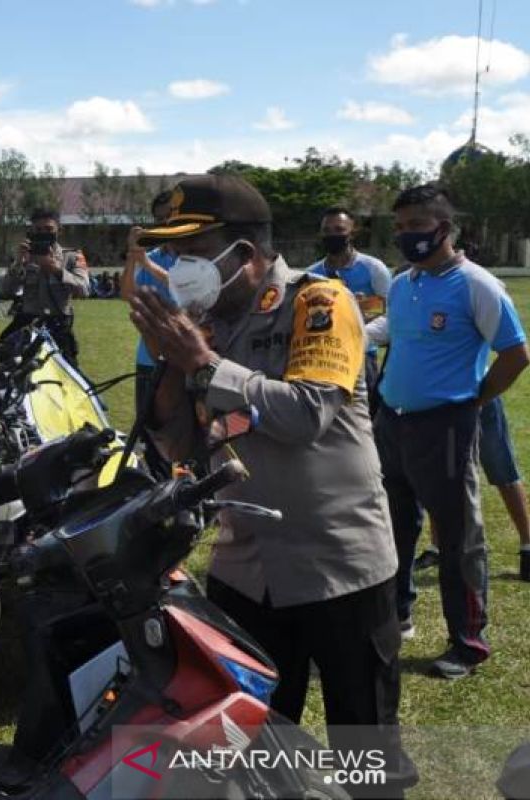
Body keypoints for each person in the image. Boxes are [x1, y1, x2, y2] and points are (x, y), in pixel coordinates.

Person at [129, 174, 415, 792]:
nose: (179, 268)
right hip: (246, 571)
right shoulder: (204, 323)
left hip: (337, 564)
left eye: (194, 251)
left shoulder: (320, 302)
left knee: (363, 749)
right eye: (173, 254)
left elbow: (307, 412)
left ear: (246, 253)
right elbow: (180, 446)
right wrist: (173, 364)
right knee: (254, 742)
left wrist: (204, 363)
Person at [371, 184, 529, 679]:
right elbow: (394, 333)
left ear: (444, 227)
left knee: (459, 537)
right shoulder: (403, 282)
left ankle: (467, 643)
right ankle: (397, 617)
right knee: (392, 528)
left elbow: (516, 353)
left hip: (445, 426)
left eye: (415, 225)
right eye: (399, 227)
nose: (405, 235)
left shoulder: (477, 285)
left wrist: (473, 401)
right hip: (391, 423)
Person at [413, 396, 530, 582]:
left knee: (502, 470)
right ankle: (437, 548)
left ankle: (528, 545)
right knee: (438, 472)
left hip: (478, 394)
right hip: (436, 399)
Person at [307, 207, 392, 414]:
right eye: (327, 230)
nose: (332, 235)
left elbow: (391, 310)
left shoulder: (373, 268)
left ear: (352, 233)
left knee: (365, 418)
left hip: (363, 358)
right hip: (324, 358)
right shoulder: (312, 273)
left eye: (339, 229)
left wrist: (360, 310)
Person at [122, 190, 179, 478]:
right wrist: (134, 256)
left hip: (183, 358)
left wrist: (148, 265)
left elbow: (186, 288)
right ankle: (159, 488)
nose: (165, 224)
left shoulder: (195, 255)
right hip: (148, 357)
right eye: (159, 220)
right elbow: (128, 294)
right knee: (149, 427)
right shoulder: (152, 256)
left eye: (170, 216)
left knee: (186, 427)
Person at [0, 208, 90, 366]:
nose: (43, 233)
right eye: (38, 229)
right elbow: (4, 292)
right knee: (12, 373)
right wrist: (19, 264)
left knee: (67, 376)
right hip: (27, 323)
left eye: (49, 229)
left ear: (59, 230)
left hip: (58, 325)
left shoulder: (73, 256)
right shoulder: (25, 256)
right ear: (31, 231)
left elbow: (84, 289)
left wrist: (56, 270)